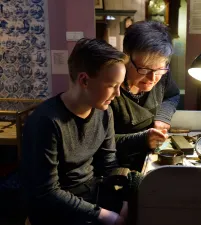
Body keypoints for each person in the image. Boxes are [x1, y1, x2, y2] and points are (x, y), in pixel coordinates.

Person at [21, 38, 141, 225]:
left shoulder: (104, 112)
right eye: (111, 86)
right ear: (84, 80)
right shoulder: (46, 122)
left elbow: (109, 163)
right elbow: (47, 192)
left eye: (120, 86)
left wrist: (124, 199)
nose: (118, 94)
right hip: (55, 209)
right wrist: (106, 216)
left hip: (91, 195)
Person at [110, 21, 180, 171]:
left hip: (151, 159)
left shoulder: (162, 74)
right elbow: (101, 142)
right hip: (120, 167)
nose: (152, 78)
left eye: (160, 69)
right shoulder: (110, 88)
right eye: (144, 69)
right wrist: (142, 140)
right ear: (127, 57)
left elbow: (172, 95)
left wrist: (163, 116)